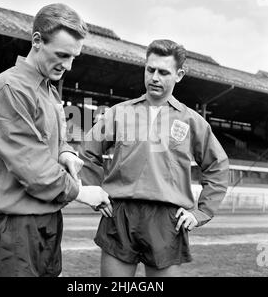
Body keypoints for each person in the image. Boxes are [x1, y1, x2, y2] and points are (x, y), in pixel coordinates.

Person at [0, 3, 112, 277]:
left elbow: (53, 141)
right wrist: (83, 193)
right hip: (15, 227)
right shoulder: (8, 89)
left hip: (48, 220)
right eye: (62, 54)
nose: (69, 65)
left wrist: (66, 155)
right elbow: (32, 164)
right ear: (37, 41)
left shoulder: (49, 91)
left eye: (74, 56)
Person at [79, 39, 229, 277]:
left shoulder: (192, 121)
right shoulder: (120, 112)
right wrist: (94, 191)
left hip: (167, 220)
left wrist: (200, 212)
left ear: (179, 75)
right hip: (120, 214)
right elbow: (88, 151)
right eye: (150, 70)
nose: (155, 77)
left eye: (163, 72)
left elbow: (217, 166)